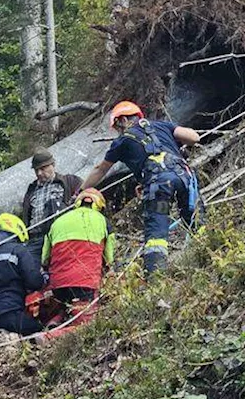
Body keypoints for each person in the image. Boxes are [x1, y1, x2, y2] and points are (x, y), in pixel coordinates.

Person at [79, 101, 200, 274]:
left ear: (122, 120)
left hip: (159, 187)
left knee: (157, 233)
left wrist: (81, 190)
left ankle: (156, 277)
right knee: (196, 220)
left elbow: (100, 169)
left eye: (117, 126)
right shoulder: (161, 125)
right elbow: (194, 137)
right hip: (184, 179)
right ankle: (210, 257)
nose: (118, 131)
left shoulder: (122, 141)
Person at [42, 188, 114, 326]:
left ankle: (54, 324)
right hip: (84, 280)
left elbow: (44, 259)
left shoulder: (58, 221)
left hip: (57, 282)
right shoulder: (103, 221)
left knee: (65, 306)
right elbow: (109, 258)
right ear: (99, 205)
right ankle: (49, 338)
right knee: (85, 325)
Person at [0, 213, 46, 337]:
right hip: (9, 314)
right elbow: (34, 282)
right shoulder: (17, 250)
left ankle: (1, 335)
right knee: (40, 328)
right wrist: (44, 277)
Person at [21, 149, 81, 261]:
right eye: (36, 170)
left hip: (61, 235)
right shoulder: (31, 190)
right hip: (36, 239)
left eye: (43, 169)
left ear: (53, 165)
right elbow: (26, 217)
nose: (39, 173)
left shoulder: (69, 181)